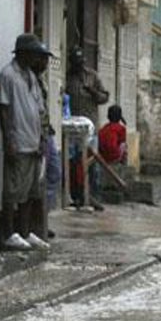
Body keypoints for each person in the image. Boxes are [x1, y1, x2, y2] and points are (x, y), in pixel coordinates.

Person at [0, 33, 51, 251]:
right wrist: (8, 140)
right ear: (23, 53)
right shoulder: (8, 75)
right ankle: (9, 233)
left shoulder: (31, 76)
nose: (36, 58)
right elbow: (3, 109)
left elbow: (39, 109)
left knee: (30, 192)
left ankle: (25, 232)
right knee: (12, 192)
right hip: (18, 141)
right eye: (33, 54)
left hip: (33, 141)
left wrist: (41, 139)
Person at [66, 48, 110, 210]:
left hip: (90, 128)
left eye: (81, 63)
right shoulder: (67, 77)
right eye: (75, 63)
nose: (79, 66)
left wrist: (92, 91)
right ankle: (76, 196)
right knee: (73, 163)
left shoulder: (92, 76)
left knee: (92, 164)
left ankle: (94, 196)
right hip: (71, 129)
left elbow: (104, 97)